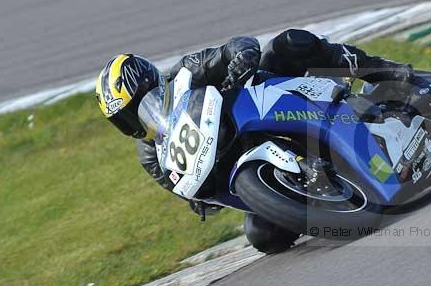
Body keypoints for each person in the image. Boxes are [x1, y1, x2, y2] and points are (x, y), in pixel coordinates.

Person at [95, 29, 412, 252]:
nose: (141, 116)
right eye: (127, 117)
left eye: (143, 102)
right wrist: (197, 199)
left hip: (263, 105)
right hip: (240, 170)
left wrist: (242, 58)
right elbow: (191, 193)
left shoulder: (187, 72)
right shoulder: (151, 154)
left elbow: (235, 46)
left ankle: (383, 70)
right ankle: (322, 194)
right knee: (262, 236)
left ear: (156, 83)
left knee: (288, 43)